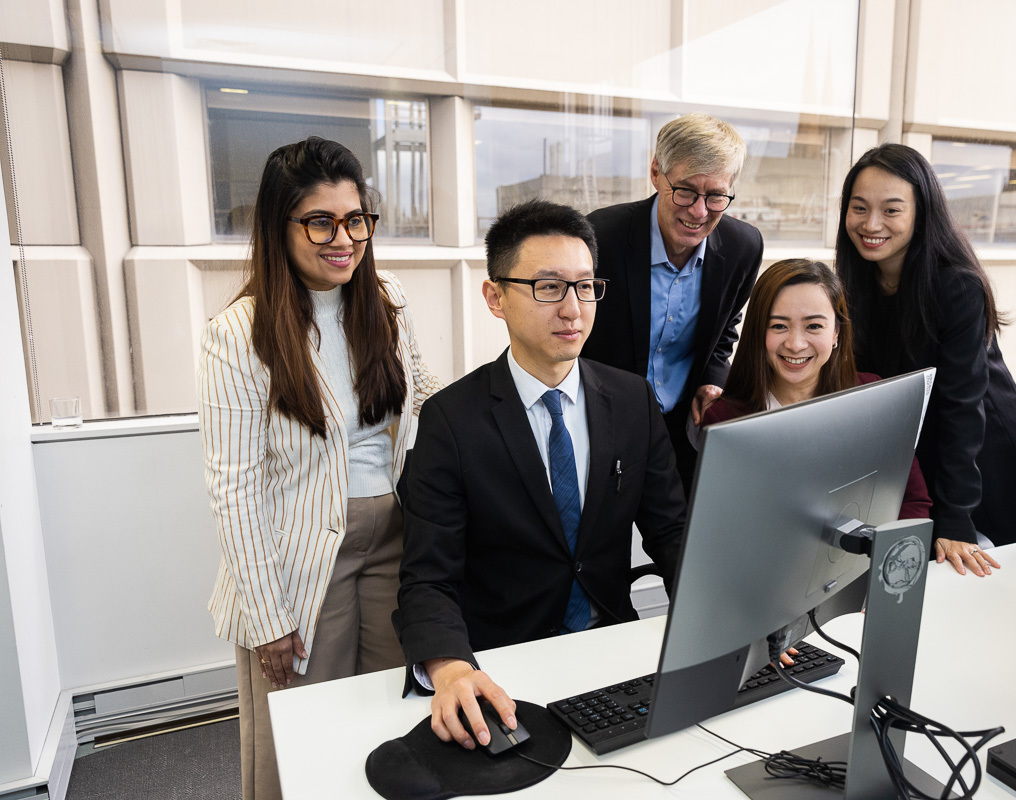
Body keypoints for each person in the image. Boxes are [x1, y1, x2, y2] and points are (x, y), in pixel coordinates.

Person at [197, 136, 441, 800]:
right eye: (321, 221)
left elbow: (421, 396)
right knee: (303, 735)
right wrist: (267, 614)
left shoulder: (385, 300)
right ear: (281, 227)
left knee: (392, 717)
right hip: (301, 554)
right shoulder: (238, 334)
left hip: (393, 535)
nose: (345, 238)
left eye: (356, 218)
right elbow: (234, 486)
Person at [394, 199, 687, 752]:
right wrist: (453, 669)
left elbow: (671, 530)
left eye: (585, 286)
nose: (573, 309)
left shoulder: (631, 400)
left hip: (611, 649)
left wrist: (727, 622)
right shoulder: (451, 421)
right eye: (549, 287)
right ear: (495, 297)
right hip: (505, 663)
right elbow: (429, 576)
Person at [835, 143, 1016, 577]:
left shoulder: (958, 287)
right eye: (859, 208)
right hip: (917, 465)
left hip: (980, 466)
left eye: (891, 210)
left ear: (921, 213)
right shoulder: (852, 285)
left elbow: (962, 409)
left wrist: (954, 517)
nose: (871, 224)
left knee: (978, 595)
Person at [582, 113, 764, 492]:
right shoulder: (600, 237)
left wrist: (713, 383)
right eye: (685, 191)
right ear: (655, 172)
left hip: (684, 428)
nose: (699, 212)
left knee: (683, 545)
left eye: (716, 196)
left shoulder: (743, 247)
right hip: (603, 425)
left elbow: (725, 330)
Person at [702, 259, 932, 520]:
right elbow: (721, 526)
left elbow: (911, 501)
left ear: (836, 333)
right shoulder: (724, 420)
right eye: (778, 326)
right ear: (757, 331)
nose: (796, 344)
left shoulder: (874, 398)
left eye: (813, 326)